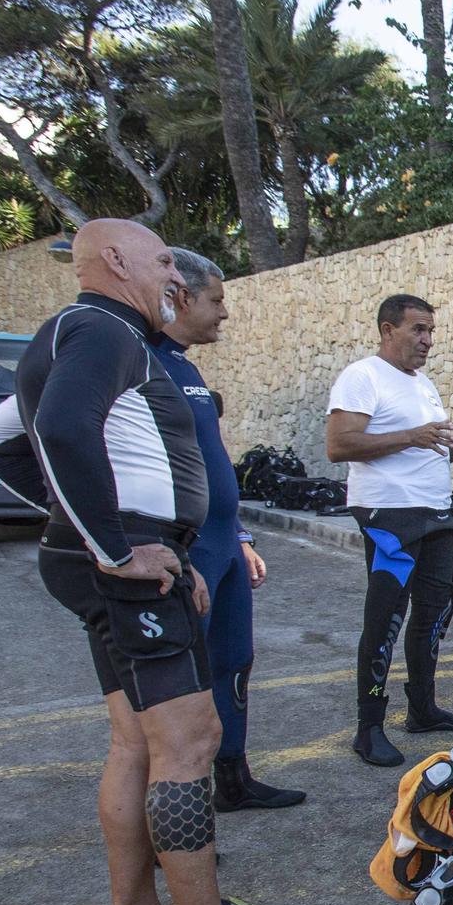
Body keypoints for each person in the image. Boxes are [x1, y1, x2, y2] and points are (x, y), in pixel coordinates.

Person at [14, 219, 317, 905]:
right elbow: (57, 428)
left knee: (135, 745)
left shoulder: (69, 334)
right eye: (160, 262)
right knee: (188, 746)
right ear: (114, 260)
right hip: (133, 570)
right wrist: (114, 544)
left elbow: (0, 445)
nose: (172, 278)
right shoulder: (106, 328)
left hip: (111, 560)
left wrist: (77, 526)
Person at [325, 294, 453, 767]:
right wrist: (411, 436)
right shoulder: (362, 376)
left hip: (437, 515)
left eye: (431, 331)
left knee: (434, 614)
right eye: (418, 330)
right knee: (385, 619)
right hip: (390, 519)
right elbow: (339, 445)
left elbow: (422, 452)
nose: (428, 340)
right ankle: (369, 727)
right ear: (388, 330)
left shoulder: (422, 383)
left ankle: (423, 709)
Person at [153, 248, 304, 811]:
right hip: (184, 553)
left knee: (234, 661)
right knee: (180, 689)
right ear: (182, 296)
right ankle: (178, 822)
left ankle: (233, 781)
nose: (225, 313)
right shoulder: (137, 360)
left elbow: (207, 459)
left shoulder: (185, 365)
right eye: (217, 300)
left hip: (221, 546)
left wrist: (238, 534)